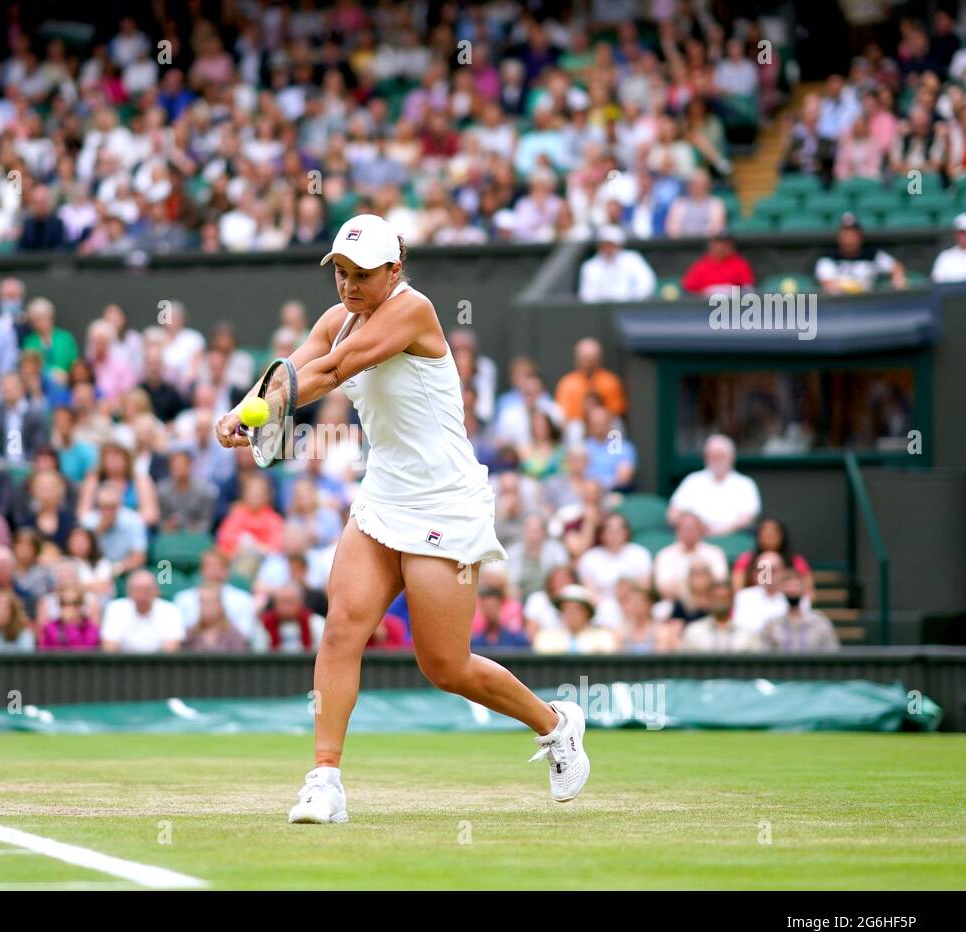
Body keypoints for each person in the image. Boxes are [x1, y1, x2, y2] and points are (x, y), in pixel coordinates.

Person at [216, 213, 589, 822]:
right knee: (341, 628)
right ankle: (325, 782)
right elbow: (292, 364)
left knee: (445, 666)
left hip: (446, 501)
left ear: (395, 269)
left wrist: (263, 411)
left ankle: (555, 723)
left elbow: (333, 371)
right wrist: (242, 408)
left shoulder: (415, 311)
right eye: (340, 272)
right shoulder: (336, 318)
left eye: (362, 274)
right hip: (384, 495)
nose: (348, 286)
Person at [666, 434, 761, 535]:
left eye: (720, 456)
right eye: (712, 456)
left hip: (733, 538)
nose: (716, 460)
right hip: (696, 540)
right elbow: (672, 514)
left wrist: (721, 531)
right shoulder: (693, 480)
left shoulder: (745, 484)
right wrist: (695, 527)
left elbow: (749, 517)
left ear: (732, 457)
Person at [815, 213, 906, 294]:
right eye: (845, 235)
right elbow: (827, 283)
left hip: (868, 303)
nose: (849, 240)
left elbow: (896, 267)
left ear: (859, 236)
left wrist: (897, 280)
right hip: (839, 304)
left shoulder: (873, 255)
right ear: (839, 236)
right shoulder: (828, 258)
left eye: (852, 235)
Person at [101, 568, 184, 652]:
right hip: (122, 664)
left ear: (156, 591)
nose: (142, 596)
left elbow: (171, 648)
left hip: (160, 664)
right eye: (137, 590)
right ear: (128, 592)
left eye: (146, 590)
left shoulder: (170, 611)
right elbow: (109, 647)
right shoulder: (115, 609)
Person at [654, 511, 729, 601]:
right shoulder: (665, 555)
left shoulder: (715, 553)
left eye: (693, 528)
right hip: (675, 602)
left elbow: (720, 582)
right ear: (677, 531)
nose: (689, 532)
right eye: (685, 528)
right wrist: (696, 585)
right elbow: (663, 588)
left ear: (700, 529)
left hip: (710, 601)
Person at [762, 568, 840, 651]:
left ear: (803, 589)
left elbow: (832, 651)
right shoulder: (772, 625)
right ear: (781, 590)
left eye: (796, 586)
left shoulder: (819, 622)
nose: (792, 590)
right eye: (787, 586)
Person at [577, 225, 656, 303]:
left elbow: (646, 284)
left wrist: (631, 300)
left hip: (631, 309)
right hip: (601, 312)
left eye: (611, 244)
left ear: (619, 245)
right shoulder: (590, 266)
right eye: (605, 244)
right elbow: (587, 295)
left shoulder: (632, 259)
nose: (608, 248)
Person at [680, 579, 763, 652]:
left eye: (725, 597)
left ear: (732, 601)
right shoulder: (693, 632)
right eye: (716, 597)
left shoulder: (748, 634)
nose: (720, 601)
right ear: (709, 600)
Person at [532, 584, 618, 653]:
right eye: (566, 608)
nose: (571, 613)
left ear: (587, 612)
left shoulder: (602, 637)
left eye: (576, 609)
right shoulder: (546, 637)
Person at [681, 231, 755, 295]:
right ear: (711, 246)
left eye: (725, 244)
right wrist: (706, 293)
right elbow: (688, 289)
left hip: (732, 306)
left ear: (732, 246)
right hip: (705, 307)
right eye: (718, 244)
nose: (721, 247)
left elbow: (747, 289)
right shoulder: (701, 265)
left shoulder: (740, 264)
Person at [930, 214, 966, 283]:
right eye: (962, 232)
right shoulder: (945, 256)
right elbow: (936, 280)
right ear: (956, 233)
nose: (964, 236)